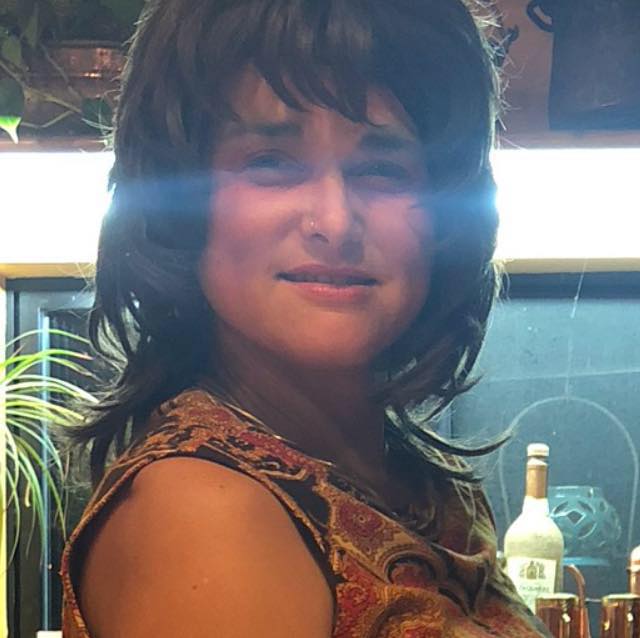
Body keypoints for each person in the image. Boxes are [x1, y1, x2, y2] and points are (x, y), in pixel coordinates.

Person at [60, 0, 551, 636]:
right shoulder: (204, 513)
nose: (335, 222)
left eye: (382, 168)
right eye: (271, 161)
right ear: (179, 204)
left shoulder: (422, 483)